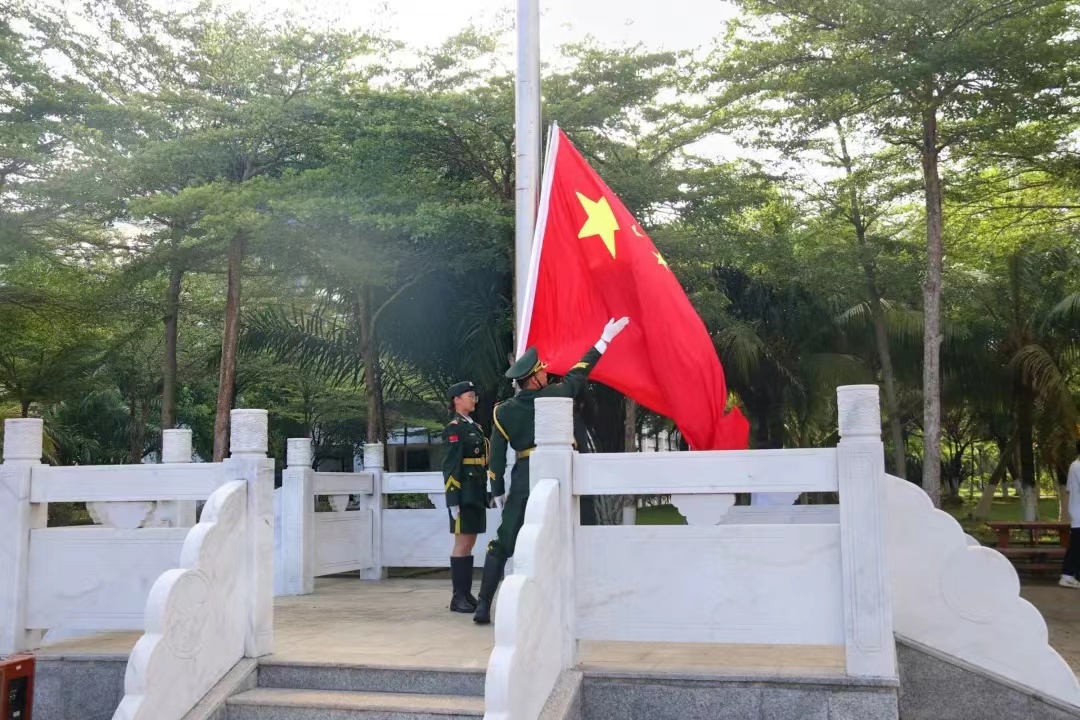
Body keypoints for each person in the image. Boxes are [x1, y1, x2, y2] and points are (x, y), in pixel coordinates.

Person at [472, 316, 630, 624]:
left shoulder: (503, 412)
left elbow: (497, 457)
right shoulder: (554, 395)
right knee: (576, 528)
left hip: (524, 478)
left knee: (504, 540)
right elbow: (579, 373)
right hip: (557, 474)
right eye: (542, 371)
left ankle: (483, 603)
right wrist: (604, 340)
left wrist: (498, 490)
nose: (546, 373)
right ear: (534, 379)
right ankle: (587, 599)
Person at [441, 380, 488, 612]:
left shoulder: (474, 427)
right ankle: (458, 597)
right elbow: (450, 466)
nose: (473, 399)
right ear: (456, 399)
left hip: (476, 490)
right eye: (469, 396)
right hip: (463, 493)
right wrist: (452, 499)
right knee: (462, 543)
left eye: (473, 396)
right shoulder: (454, 428)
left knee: (470, 542)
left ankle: (465, 595)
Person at [1059, 440, 1080, 588]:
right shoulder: (1077, 466)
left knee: (1077, 546)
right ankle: (1067, 576)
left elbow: (1068, 490)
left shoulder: (1075, 466)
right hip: (1079, 514)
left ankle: (1071, 575)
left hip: (1077, 512)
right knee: (1076, 547)